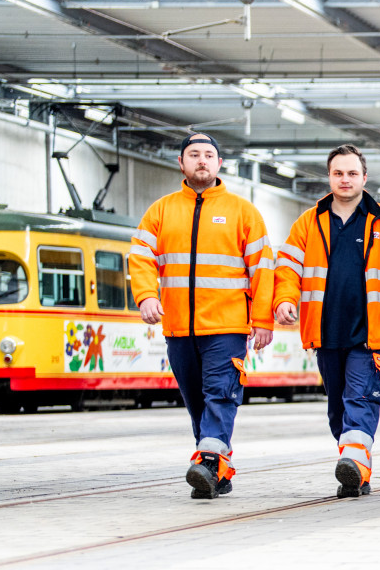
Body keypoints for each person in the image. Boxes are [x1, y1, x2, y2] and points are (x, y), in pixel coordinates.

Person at [272, 144, 380, 498]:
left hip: (369, 336)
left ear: (364, 177)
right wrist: (284, 299)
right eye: (338, 173)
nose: (345, 180)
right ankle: (356, 467)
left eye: (352, 173)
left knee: (360, 400)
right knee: (337, 410)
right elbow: (286, 268)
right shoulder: (308, 223)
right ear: (329, 177)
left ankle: (354, 463)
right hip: (325, 335)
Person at [127, 133, 276, 500]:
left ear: (219, 164)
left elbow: (263, 269)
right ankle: (215, 469)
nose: (202, 161)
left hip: (227, 326)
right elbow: (141, 257)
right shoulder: (160, 211)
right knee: (197, 400)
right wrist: (146, 296)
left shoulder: (244, 212)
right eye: (194, 155)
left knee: (219, 395)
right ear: (181, 163)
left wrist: (263, 320)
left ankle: (208, 461)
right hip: (178, 328)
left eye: (209, 155)